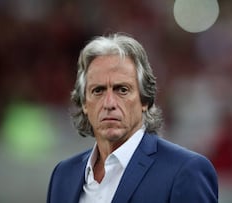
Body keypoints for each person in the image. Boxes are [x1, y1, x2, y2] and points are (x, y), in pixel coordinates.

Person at [47, 33, 218, 203]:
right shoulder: (63, 175)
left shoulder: (185, 171)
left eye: (122, 90)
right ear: (84, 103)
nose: (109, 103)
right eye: (98, 91)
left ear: (145, 100)